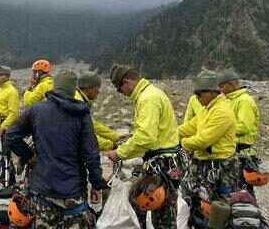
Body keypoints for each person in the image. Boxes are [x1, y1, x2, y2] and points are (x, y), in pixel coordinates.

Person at [7, 70, 108, 228]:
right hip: (73, 192)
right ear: (72, 89)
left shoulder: (36, 111)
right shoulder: (82, 114)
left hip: (42, 190)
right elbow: (91, 154)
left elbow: (11, 136)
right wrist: (96, 183)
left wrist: (29, 156)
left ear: (55, 86)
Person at [105, 65, 180, 229]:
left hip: (162, 164)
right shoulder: (151, 94)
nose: (121, 93)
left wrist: (120, 153)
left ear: (127, 82)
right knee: (161, 211)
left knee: (161, 214)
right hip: (165, 161)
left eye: (120, 89)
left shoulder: (148, 99)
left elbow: (146, 137)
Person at [178, 70, 240, 228]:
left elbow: (203, 141)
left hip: (220, 166)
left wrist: (182, 143)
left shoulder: (222, 112)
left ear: (212, 92)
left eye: (199, 94)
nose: (197, 98)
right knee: (198, 201)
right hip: (204, 163)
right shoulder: (207, 110)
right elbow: (188, 127)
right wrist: (169, 135)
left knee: (217, 207)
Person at [218, 69, 261, 197]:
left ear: (231, 84)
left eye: (222, 86)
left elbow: (244, 127)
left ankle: (249, 215)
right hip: (229, 152)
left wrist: (219, 130)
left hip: (242, 154)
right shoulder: (227, 100)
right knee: (229, 192)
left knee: (243, 193)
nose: (220, 89)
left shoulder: (244, 101)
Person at [75, 71, 123, 151]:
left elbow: (92, 124)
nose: (98, 91)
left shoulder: (78, 99)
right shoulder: (77, 104)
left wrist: (115, 137)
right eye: (97, 88)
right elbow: (84, 136)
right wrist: (110, 145)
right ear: (89, 88)